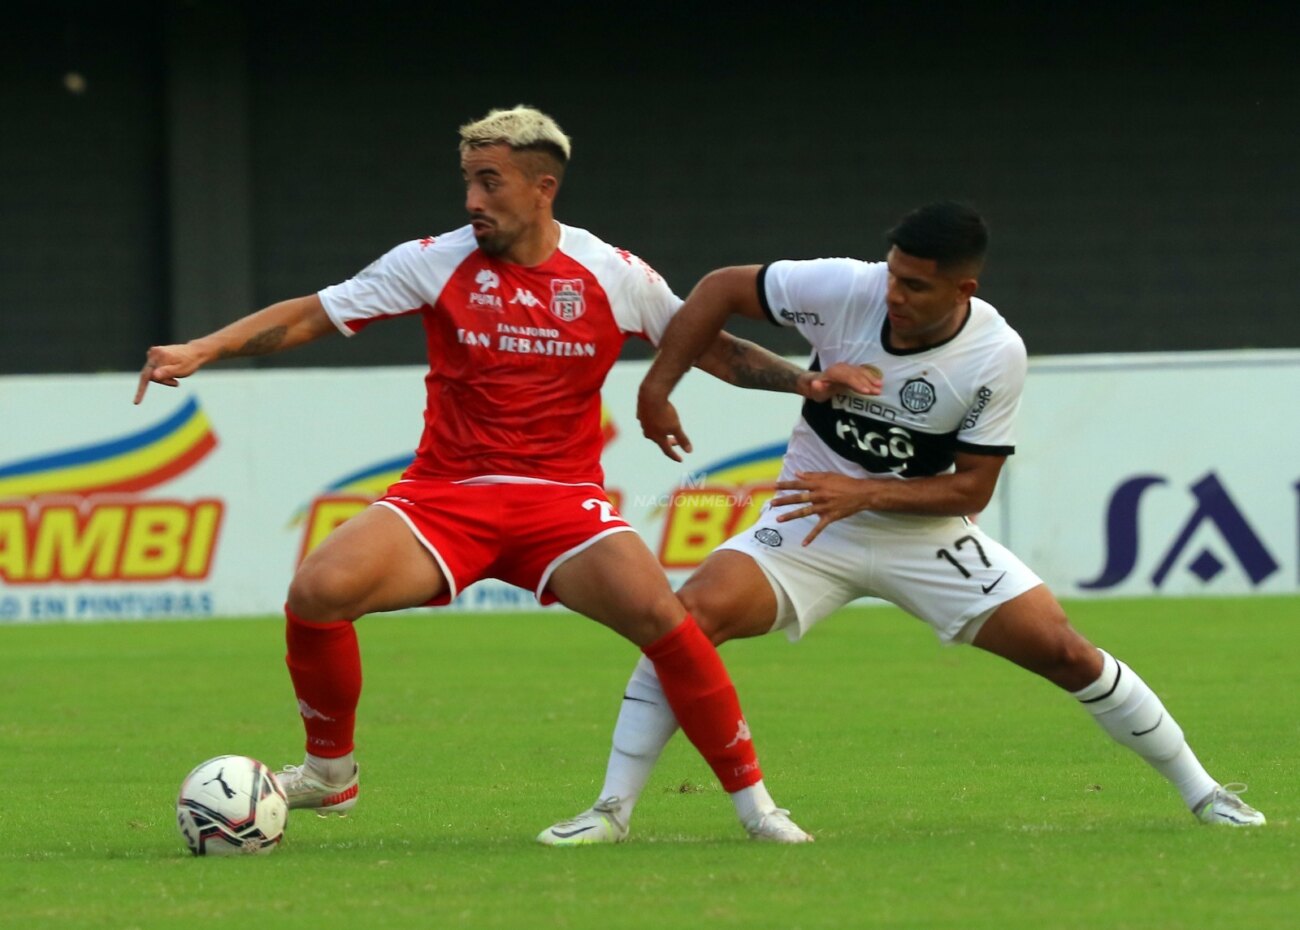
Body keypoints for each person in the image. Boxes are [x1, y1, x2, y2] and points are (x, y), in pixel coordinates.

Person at [134, 105, 873, 843]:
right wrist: (203, 348)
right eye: (467, 182)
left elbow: (712, 348)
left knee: (668, 624)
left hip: (563, 505)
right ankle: (331, 773)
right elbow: (313, 315)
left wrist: (802, 383)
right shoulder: (434, 259)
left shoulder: (612, 274)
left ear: (542, 187)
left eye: (489, 183)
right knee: (317, 592)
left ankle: (757, 809)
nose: (471, 202)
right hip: (444, 497)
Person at [537, 200, 1265, 845]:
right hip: (810, 523)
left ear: (963, 289)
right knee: (686, 620)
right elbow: (723, 286)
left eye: (915, 285)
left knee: (1066, 651)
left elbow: (970, 489)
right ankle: (611, 810)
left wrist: (867, 495)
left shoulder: (993, 355)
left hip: (924, 535)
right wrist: (658, 389)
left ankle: (1205, 793)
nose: (894, 294)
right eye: (893, 273)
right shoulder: (845, 289)